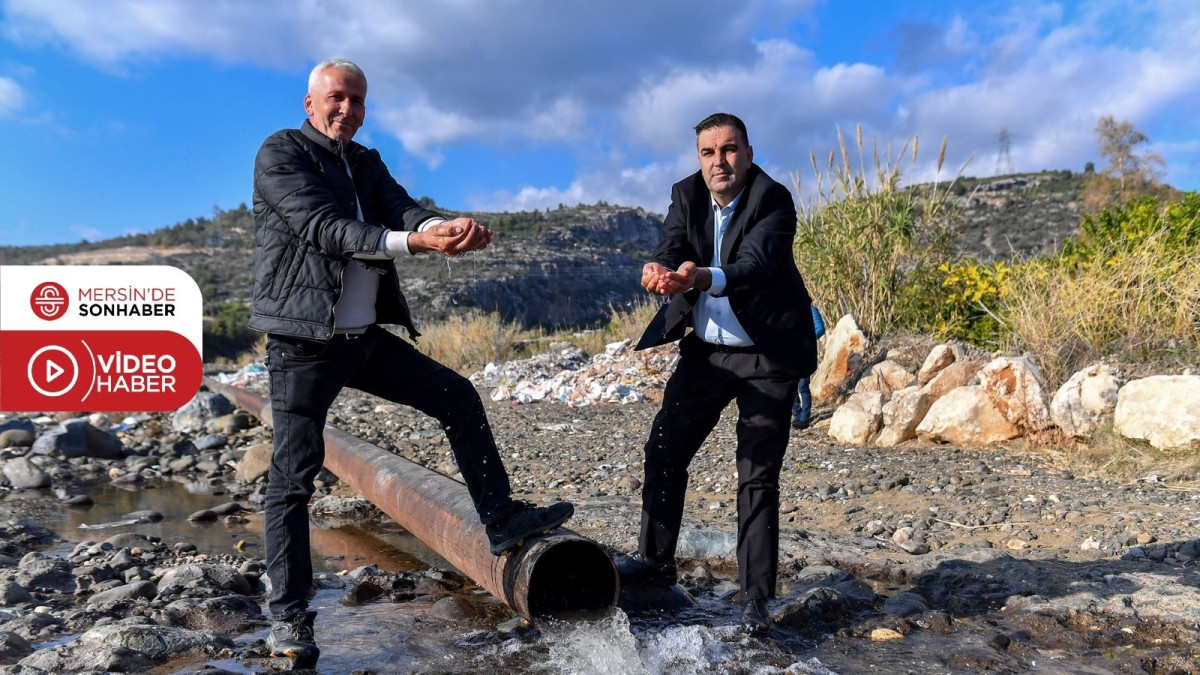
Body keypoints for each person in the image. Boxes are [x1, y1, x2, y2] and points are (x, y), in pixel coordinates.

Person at [250, 57, 573, 665]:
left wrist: (443, 226)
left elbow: (400, 208)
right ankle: (289, 619)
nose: (348, 109)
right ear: (310, 103)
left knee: (456, 395)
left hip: (362, 339)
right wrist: (414, 241)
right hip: (303, 343)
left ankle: (501, 521)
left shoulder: (366, 162)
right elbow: (325, 228)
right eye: (337, 98)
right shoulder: (281, 154)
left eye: (359, 101)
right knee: (294, 477)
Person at [620, 113, 818, 635]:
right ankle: (654, 568)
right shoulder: (685, 195)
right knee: (664, 451)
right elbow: (670, 246)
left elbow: (754, 265)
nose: (719, 162)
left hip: (768, 355)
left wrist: (701, 275)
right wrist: (659, 272)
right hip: (707, 352)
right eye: (708, 153)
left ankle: (755, 599)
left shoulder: (772, 199)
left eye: (729, 150)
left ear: (749, 155)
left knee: (756, 475)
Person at [792, 304, 826, 429]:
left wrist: (804, 340)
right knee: (790, 385)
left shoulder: (810, 309)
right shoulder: (786, 308)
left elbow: (820, 329)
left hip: (804, 353)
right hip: (788, 354)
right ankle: (796, 414)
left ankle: (804, 417)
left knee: (802, 385)